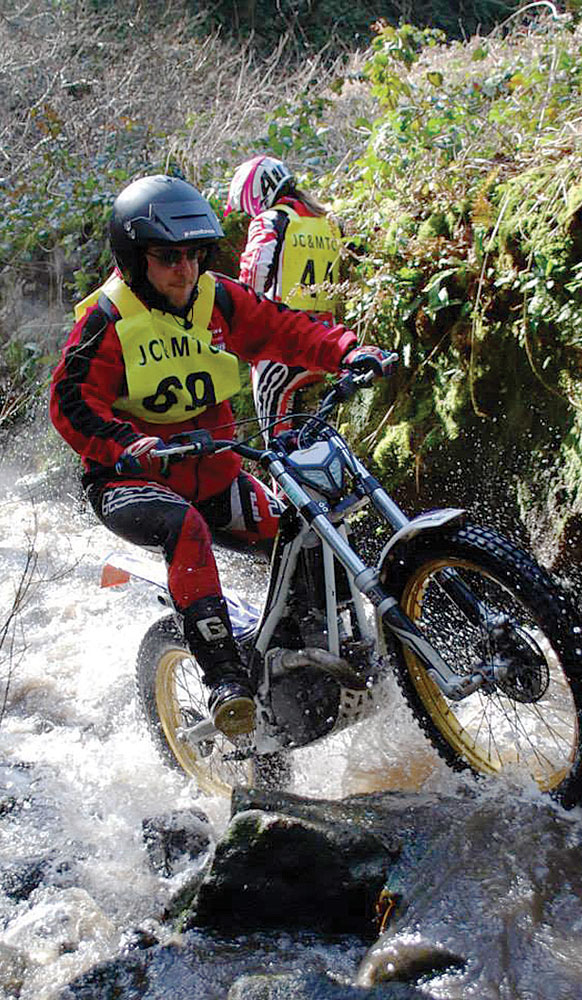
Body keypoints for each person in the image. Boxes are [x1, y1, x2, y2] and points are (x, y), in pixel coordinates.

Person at [50, 174, 389, 740]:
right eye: (166, 258)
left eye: (192, 255)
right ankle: (225, 681)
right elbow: (69, 403)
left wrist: (347, 351)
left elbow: (288, 327)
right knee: (184, 528)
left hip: (217, 472)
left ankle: (308, 656)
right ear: (136, 260)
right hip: (132, 480)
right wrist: (125, 446)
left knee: (303, 525)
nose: (184, 271)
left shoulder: (220, 296)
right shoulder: (105, 323)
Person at [225, 155, 343, 444]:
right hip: (326, 342)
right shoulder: (329, 221)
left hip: (281, 347)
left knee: (277, 446)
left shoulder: (271, 220)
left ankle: (283, 491)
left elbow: (252, 278)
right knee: (320, 439)